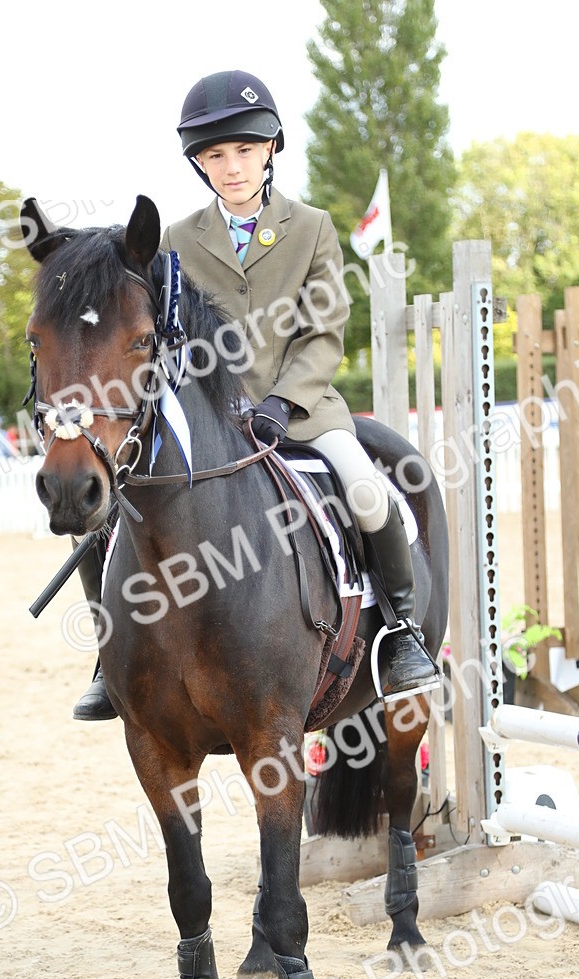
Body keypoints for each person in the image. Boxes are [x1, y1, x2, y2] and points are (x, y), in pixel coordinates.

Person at [74, 69, 438, 720]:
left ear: (270, 150)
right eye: (215, 155)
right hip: (209, 418)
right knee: (114, 505)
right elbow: (158, 333)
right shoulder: (176, 242)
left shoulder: (313, 229)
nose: (231, 167)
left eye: (244, 151)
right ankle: (112, 654)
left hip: (302, 413)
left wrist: (281, 403)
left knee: (364, 487)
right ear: (199, 164)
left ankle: (402, 633)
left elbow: (325, 333)